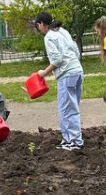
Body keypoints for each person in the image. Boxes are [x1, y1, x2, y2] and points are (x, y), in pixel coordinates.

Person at [34, 11, 85, 150]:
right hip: (78, 71)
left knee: (67, 109)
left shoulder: (49, 37)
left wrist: (43, 73)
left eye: (38, 25)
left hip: (67, 75)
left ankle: (74, 141)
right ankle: (68, 139)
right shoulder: (63, 31)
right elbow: (76, 51)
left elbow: (57, 60)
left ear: (42, 24)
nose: (39, 28)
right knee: (71, 107)